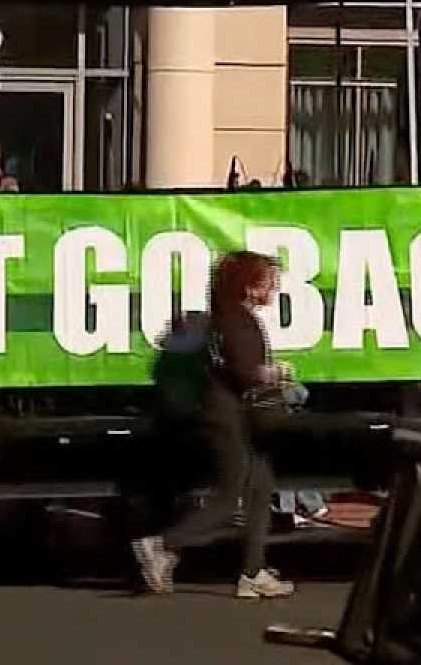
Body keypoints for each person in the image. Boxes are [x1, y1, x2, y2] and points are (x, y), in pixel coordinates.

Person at [131, 251, 303, 600]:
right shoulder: (237, 322)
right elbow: (245, 374)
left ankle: (252, 572)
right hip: (228, 419)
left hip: (232, 416)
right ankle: (162, 544)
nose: (275, 287)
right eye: (269, 280)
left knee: (260, 486)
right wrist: (280, 373)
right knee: (231, 494)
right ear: (250, 287)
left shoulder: (225, 318)